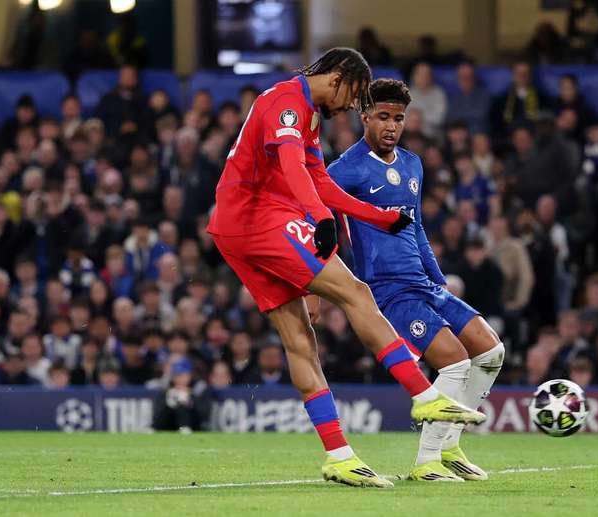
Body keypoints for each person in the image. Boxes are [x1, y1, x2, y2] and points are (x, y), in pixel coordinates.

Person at [205, 48, 483, 488]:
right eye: (354, 97)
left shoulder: (309, 115)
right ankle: (422, 393)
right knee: (355, 293)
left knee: (300, 341)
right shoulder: (287, 102)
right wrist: (320, 219)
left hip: (234, 227)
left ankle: (338, 455)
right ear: (338, 79)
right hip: (257, 216)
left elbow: (319, 182)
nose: (352, 108)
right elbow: (294, 169)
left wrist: (379, 217)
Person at [328, 78, 504, 482]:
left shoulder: (412, 164)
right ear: (365, 116)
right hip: (388, 290)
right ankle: (426, 463)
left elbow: (417, 226)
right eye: (384, 117)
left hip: (423, 284)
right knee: (455, 361)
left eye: (399, 118)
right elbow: (317, 214)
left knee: (491, 351)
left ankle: (450, 448)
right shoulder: (345, 169)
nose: (392, 126)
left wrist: (437, 277)